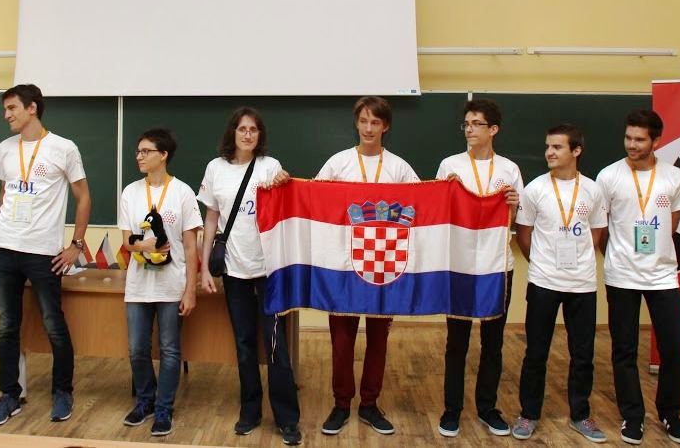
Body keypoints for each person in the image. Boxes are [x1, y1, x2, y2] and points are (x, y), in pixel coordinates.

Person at [0, 84, 91, 426]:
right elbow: (4, 193)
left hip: (43, 252)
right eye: (4, 109)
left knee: (53, 324)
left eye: (12, 108)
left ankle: (62, 392)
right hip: (5, 249)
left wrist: (76, 245)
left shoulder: (63, 147)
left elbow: (84, 197)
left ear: (32, 108)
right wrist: (8, 225)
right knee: (7, 326)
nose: (6, 115)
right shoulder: (5, 148)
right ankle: (9, 395)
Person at [316, 96, 419, 436]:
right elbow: (312, 199)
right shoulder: (338, 163)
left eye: (376, 122)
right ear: (356, 123)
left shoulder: (400, 168)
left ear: (385, 126)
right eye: (363, 121)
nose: (369, 128)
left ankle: (370, 404)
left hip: (385, 268)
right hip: (344, 266)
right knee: (341, 341)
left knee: (378, 341)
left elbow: (425, 202)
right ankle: (341, 403)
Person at [198, 107, 301, 445]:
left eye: (253, 130)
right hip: (234, 269)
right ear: (233, 132)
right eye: (242, 129)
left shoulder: (270, 166)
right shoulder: (216, 168)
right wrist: (204, 267)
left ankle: (287, 418)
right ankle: (250, 411)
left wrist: (284, 183)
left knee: (275, 345)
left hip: (269, 270)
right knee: (244, 344)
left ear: (260, 135)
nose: (247, 135)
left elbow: (286, 200)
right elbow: (211, 219)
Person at [596, 110, 680, 445]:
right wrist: (619, 256)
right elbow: (601, 226)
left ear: (656, 141)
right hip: (621, 275)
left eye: (639, 139)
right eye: (628, 138)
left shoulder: (673, 176)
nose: (632, 145)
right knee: (624, 349)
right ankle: (632, 416)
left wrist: (655, 250)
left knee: (674, 347)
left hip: (663, 276)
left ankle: (670, 414)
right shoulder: (609, 176)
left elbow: (673, 220)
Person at [512, 124, 607, 442]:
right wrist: (542, 264)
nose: (549, 152)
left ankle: (581, 415)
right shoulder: (535, 189)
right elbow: (524, 234)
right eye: (547, 146)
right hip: (543, 282)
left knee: (583, 355)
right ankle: (528, 414)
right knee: (535, 352)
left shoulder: (593, 190)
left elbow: (597, 233)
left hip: (582, 284)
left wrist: (577, 261)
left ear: (576, 151)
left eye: (557, 147)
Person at [434, 98, 521, 437]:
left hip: (497, 266)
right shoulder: (450, 165)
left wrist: (513, 203)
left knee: (493, 342)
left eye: (476, 124)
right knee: (456, 342)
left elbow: (517, 217)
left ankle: (488, 408)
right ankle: (451, 410)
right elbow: (438, 212)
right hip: (458, 265)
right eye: (466, 124)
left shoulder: (509, 169)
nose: (469, 130)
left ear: (493, 129)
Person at [119, 128, 202, 437]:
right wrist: (145, 245)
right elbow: (126, 241)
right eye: (138, 151)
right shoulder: (130, 192)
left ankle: (164, 408)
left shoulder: (182, 192)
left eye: (146, 151)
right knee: (137, 349)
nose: (139, 156)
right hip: (138, 285)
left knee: (169, 349)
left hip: (172, 284)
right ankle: (145, 401)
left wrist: (190, 290)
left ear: (163, 155)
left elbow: (191, 246)